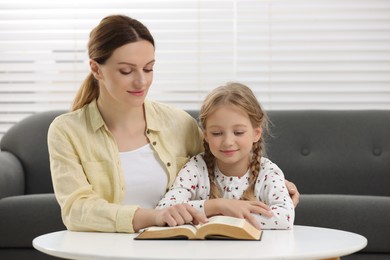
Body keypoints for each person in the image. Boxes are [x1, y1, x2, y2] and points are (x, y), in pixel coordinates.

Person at [48, 14, 299, 234]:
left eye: (149, 69)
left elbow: (219, 164)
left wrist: (271, 183)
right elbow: (76, 210)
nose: (141, 82)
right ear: (96, 68)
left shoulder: (179, 123)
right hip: (101, 249)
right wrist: (154, 216)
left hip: (171, 247)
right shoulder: (67, 131)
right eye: (126, 71)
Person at [157, 82, 294, 230]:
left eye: (238, 132)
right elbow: (165, 209)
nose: (228, 142)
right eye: (217, 133)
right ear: (206, 135)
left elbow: (284, 217)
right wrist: (217, 206)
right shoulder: (196, 168)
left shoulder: (268, 172)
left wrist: (216, 218)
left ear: (256, 134)